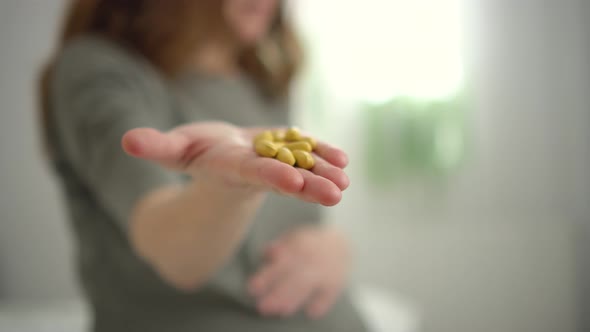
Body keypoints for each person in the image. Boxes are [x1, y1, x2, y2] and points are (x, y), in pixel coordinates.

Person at [38, 0, 369, 331]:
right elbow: (176, 254)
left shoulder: (260, 76)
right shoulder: (100, 68)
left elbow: (287, 222)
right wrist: (231, 187)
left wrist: (336, 248)